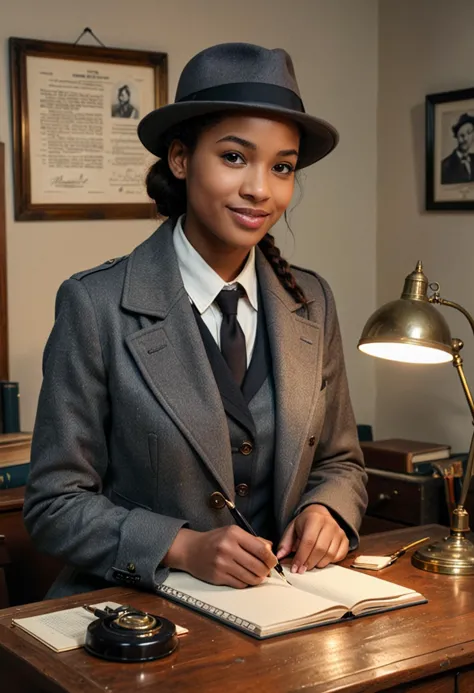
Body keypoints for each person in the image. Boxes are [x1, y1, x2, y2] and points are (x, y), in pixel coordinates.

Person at [24, 43, 368, 598]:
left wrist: (329, 509)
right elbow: (53, 505)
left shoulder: (313, 301)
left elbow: (341, 462)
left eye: (282, 167)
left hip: (287, 611)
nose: (261, 188)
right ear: (181, 159)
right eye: (235, 157)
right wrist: (181, 546)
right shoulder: (95, 305)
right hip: (139, 618)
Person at [441, 112, 474, 185]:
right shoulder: (445, 166)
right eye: (461, 135)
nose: (465, 139)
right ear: (456, 137)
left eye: (469, 133)